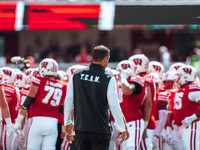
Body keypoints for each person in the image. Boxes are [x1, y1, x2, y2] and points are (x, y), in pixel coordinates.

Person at [64, 45, 127, 150]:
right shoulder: (108, 77)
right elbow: (113, 104)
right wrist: (121, 127)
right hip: (100, 129)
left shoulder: (77, 73)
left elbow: (69, 99)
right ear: (106, 58)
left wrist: (67, 122)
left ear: (93, 57)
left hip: (81, 128)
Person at [14, 58, 67, 150]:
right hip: (53, 124)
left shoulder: (38, 81)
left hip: (37, 121)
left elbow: (27, 103)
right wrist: (63, 129)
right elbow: (63, 110)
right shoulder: (63, 86)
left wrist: (18, 122)